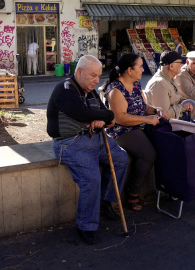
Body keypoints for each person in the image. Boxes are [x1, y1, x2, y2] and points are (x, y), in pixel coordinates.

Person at [47, 55, 128, 245]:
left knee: (121, 159)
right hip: (71, 143)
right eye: (93, 75)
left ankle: (105, 201)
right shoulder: (65, 89)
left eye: (99, 76)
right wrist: (105, 115)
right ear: (79, 72)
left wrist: (102, 118)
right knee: (92, 179)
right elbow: (84, 113)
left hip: (95, 138)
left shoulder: (90, 92)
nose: (96, 81)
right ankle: (86, 225)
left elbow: (109, 119)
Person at [102, 54, 167, 211]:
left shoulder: (136, 84)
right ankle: (133, 193)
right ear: (129, 70)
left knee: (164, 142)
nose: (143, 69)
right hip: (120, 130)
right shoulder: (115, 90)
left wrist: (155, 110)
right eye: (140, 66)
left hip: (137, 126)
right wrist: (147, 120)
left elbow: (143, 106)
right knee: (149, 154)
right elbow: (121, 119)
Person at [145, 51, 193, 119]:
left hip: (176, 122)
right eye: (180, 63)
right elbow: (164, 115)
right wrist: (182, 106)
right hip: (167, 127)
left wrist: (183, 101)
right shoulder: (159, 83)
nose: (182, 65)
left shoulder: (170, 79)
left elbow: (176, 98)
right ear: (171, 66)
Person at [175, 51, 195, 124]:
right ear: (187, 62)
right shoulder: (181, 74)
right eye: (194, 63)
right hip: (194, 114)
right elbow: (192, 93)